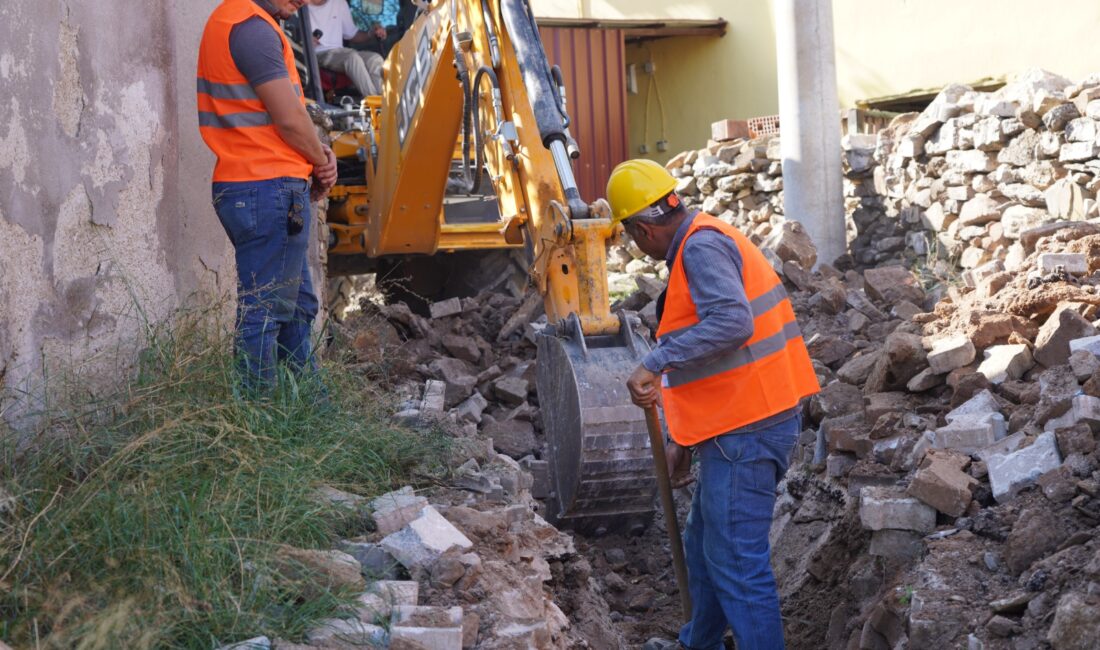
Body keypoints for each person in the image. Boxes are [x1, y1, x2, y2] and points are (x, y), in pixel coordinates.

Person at [607, 159, 820, 650]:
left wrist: (655, 361)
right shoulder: (700, 239)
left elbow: (731, 324)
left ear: (642, 230)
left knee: (738, 566)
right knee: (707, 549)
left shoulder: (700, 248)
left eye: (631, 236)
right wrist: (683, 436)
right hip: (735, 425)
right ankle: (696, 644)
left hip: (747, 430)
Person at [197, 0, 338, 388]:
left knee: (294, 308)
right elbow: (291, 120)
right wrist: (322, 159)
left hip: (255, 186)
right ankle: (257, 420)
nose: (306, 2)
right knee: (266, 311)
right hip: (267, 186)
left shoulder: (239, 21)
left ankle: (309, 407)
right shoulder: (253, 29)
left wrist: (315, 160)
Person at [307, 0, 386, 96]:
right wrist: (305, 41)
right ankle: (374, 102)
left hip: (340, 52)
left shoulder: (339, 3)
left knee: (375, 58)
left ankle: (385, 100)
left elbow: (352, 34)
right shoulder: (299, 5)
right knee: (351, 57)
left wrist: (371, 33)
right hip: (317, 53)